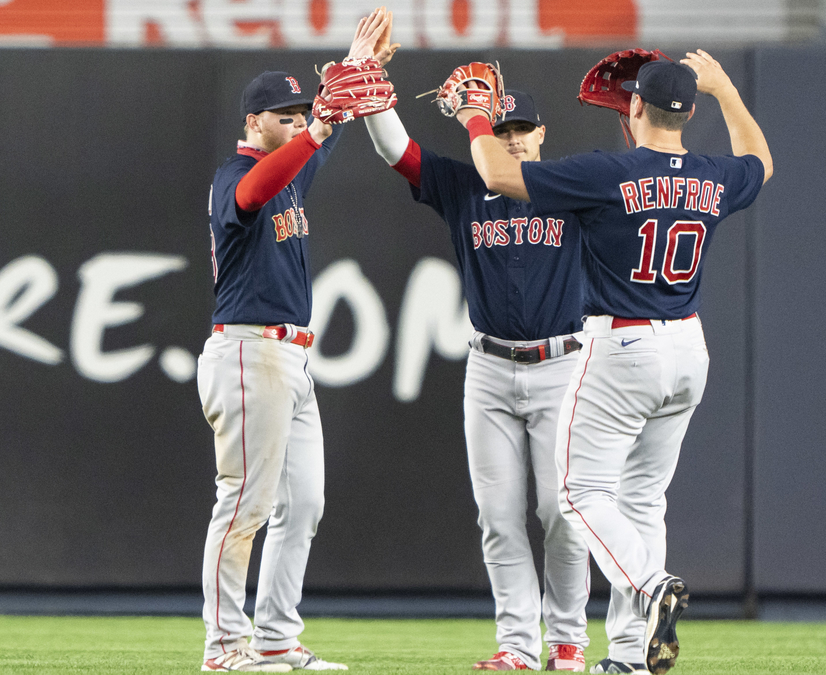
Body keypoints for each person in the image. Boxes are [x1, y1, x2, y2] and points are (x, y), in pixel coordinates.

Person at [454, 50, 773, 674]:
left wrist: (474, 117)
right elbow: (760, 162)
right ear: (684, 113)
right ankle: (627, 656)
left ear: (632, 108)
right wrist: (726, 89)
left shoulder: (607, 173)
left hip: (623, 346)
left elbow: (497, 175)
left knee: (577, 494)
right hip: (688, 346)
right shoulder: (712, 175)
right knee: (643, 500)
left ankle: (653, 586)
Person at [362, 84, 592, 671]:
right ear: (487, 131)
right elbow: (399, 152)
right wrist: (373, 92)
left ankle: (567, 639)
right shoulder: (465, 185)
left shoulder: (570, 188)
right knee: (497, 515)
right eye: (502, 128)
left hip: (562, 363)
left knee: (562, 512)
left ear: (542, 133)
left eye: (521, 129)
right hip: (489, 368)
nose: (512, 138)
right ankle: (517, 643)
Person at [197, 8, 394, 672]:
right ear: (254, 122)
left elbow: (329, 124)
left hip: (292, 358)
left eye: (297, 113)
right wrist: (310, 131)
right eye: (283, 115)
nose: (295, 120)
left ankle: (277, 638)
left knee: (302, 501)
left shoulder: (292, 169)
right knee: (245, 502)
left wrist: (356, 63)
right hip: (249, 351)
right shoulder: (237, 173)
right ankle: (225, 648)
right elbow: (256, 187)